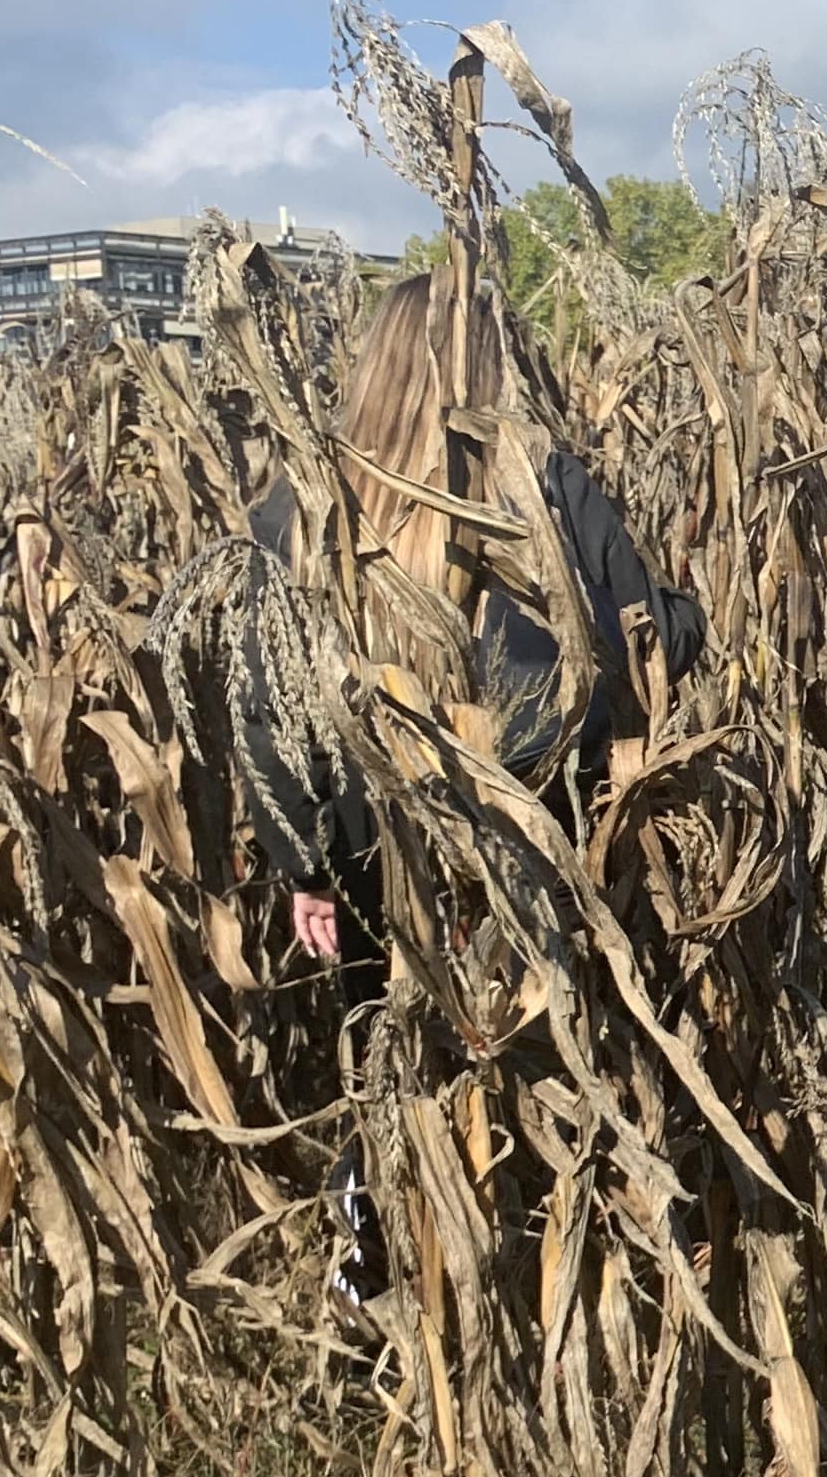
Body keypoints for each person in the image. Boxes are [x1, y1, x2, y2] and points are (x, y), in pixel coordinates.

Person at [229, 266, 703, 963]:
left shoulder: (302, 507)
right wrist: (687, 610)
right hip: (545, 835)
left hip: (379, 860)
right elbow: (644, 643)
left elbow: (266, 712)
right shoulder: (544, 484)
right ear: (488, 361)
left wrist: (309, 866)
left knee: (406, 1056)